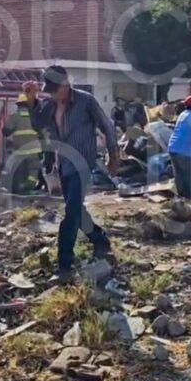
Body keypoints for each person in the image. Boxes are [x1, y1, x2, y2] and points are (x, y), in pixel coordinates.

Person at [23, 65, 119, 282]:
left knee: (71, 211)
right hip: (64, 162)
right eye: (51, 90)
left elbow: (107, 125)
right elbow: (38, 124)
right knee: (75, 209)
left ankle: (65, 263)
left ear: (66, 85)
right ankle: (99, 238)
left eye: (57, 89)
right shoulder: (49, 104)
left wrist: (114, 154)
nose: (54, 93)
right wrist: (31, 101)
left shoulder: (86, 101)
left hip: (83, 161)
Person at [2, 94, 44, 194]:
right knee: (33, 171)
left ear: (18, 105)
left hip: (20, 150)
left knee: (20, 171)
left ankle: (19, 189)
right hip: (34, 150)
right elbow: (42, 133)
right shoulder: (35, 116)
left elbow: (5, 131)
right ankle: (28, 188)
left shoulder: (15, 116)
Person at [167, 95, 191, 200]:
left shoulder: (182, 114)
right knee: (188, 174)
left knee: (179, 175)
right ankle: (190, 198)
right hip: (183, 150)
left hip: (172, 147)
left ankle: (181, 197)